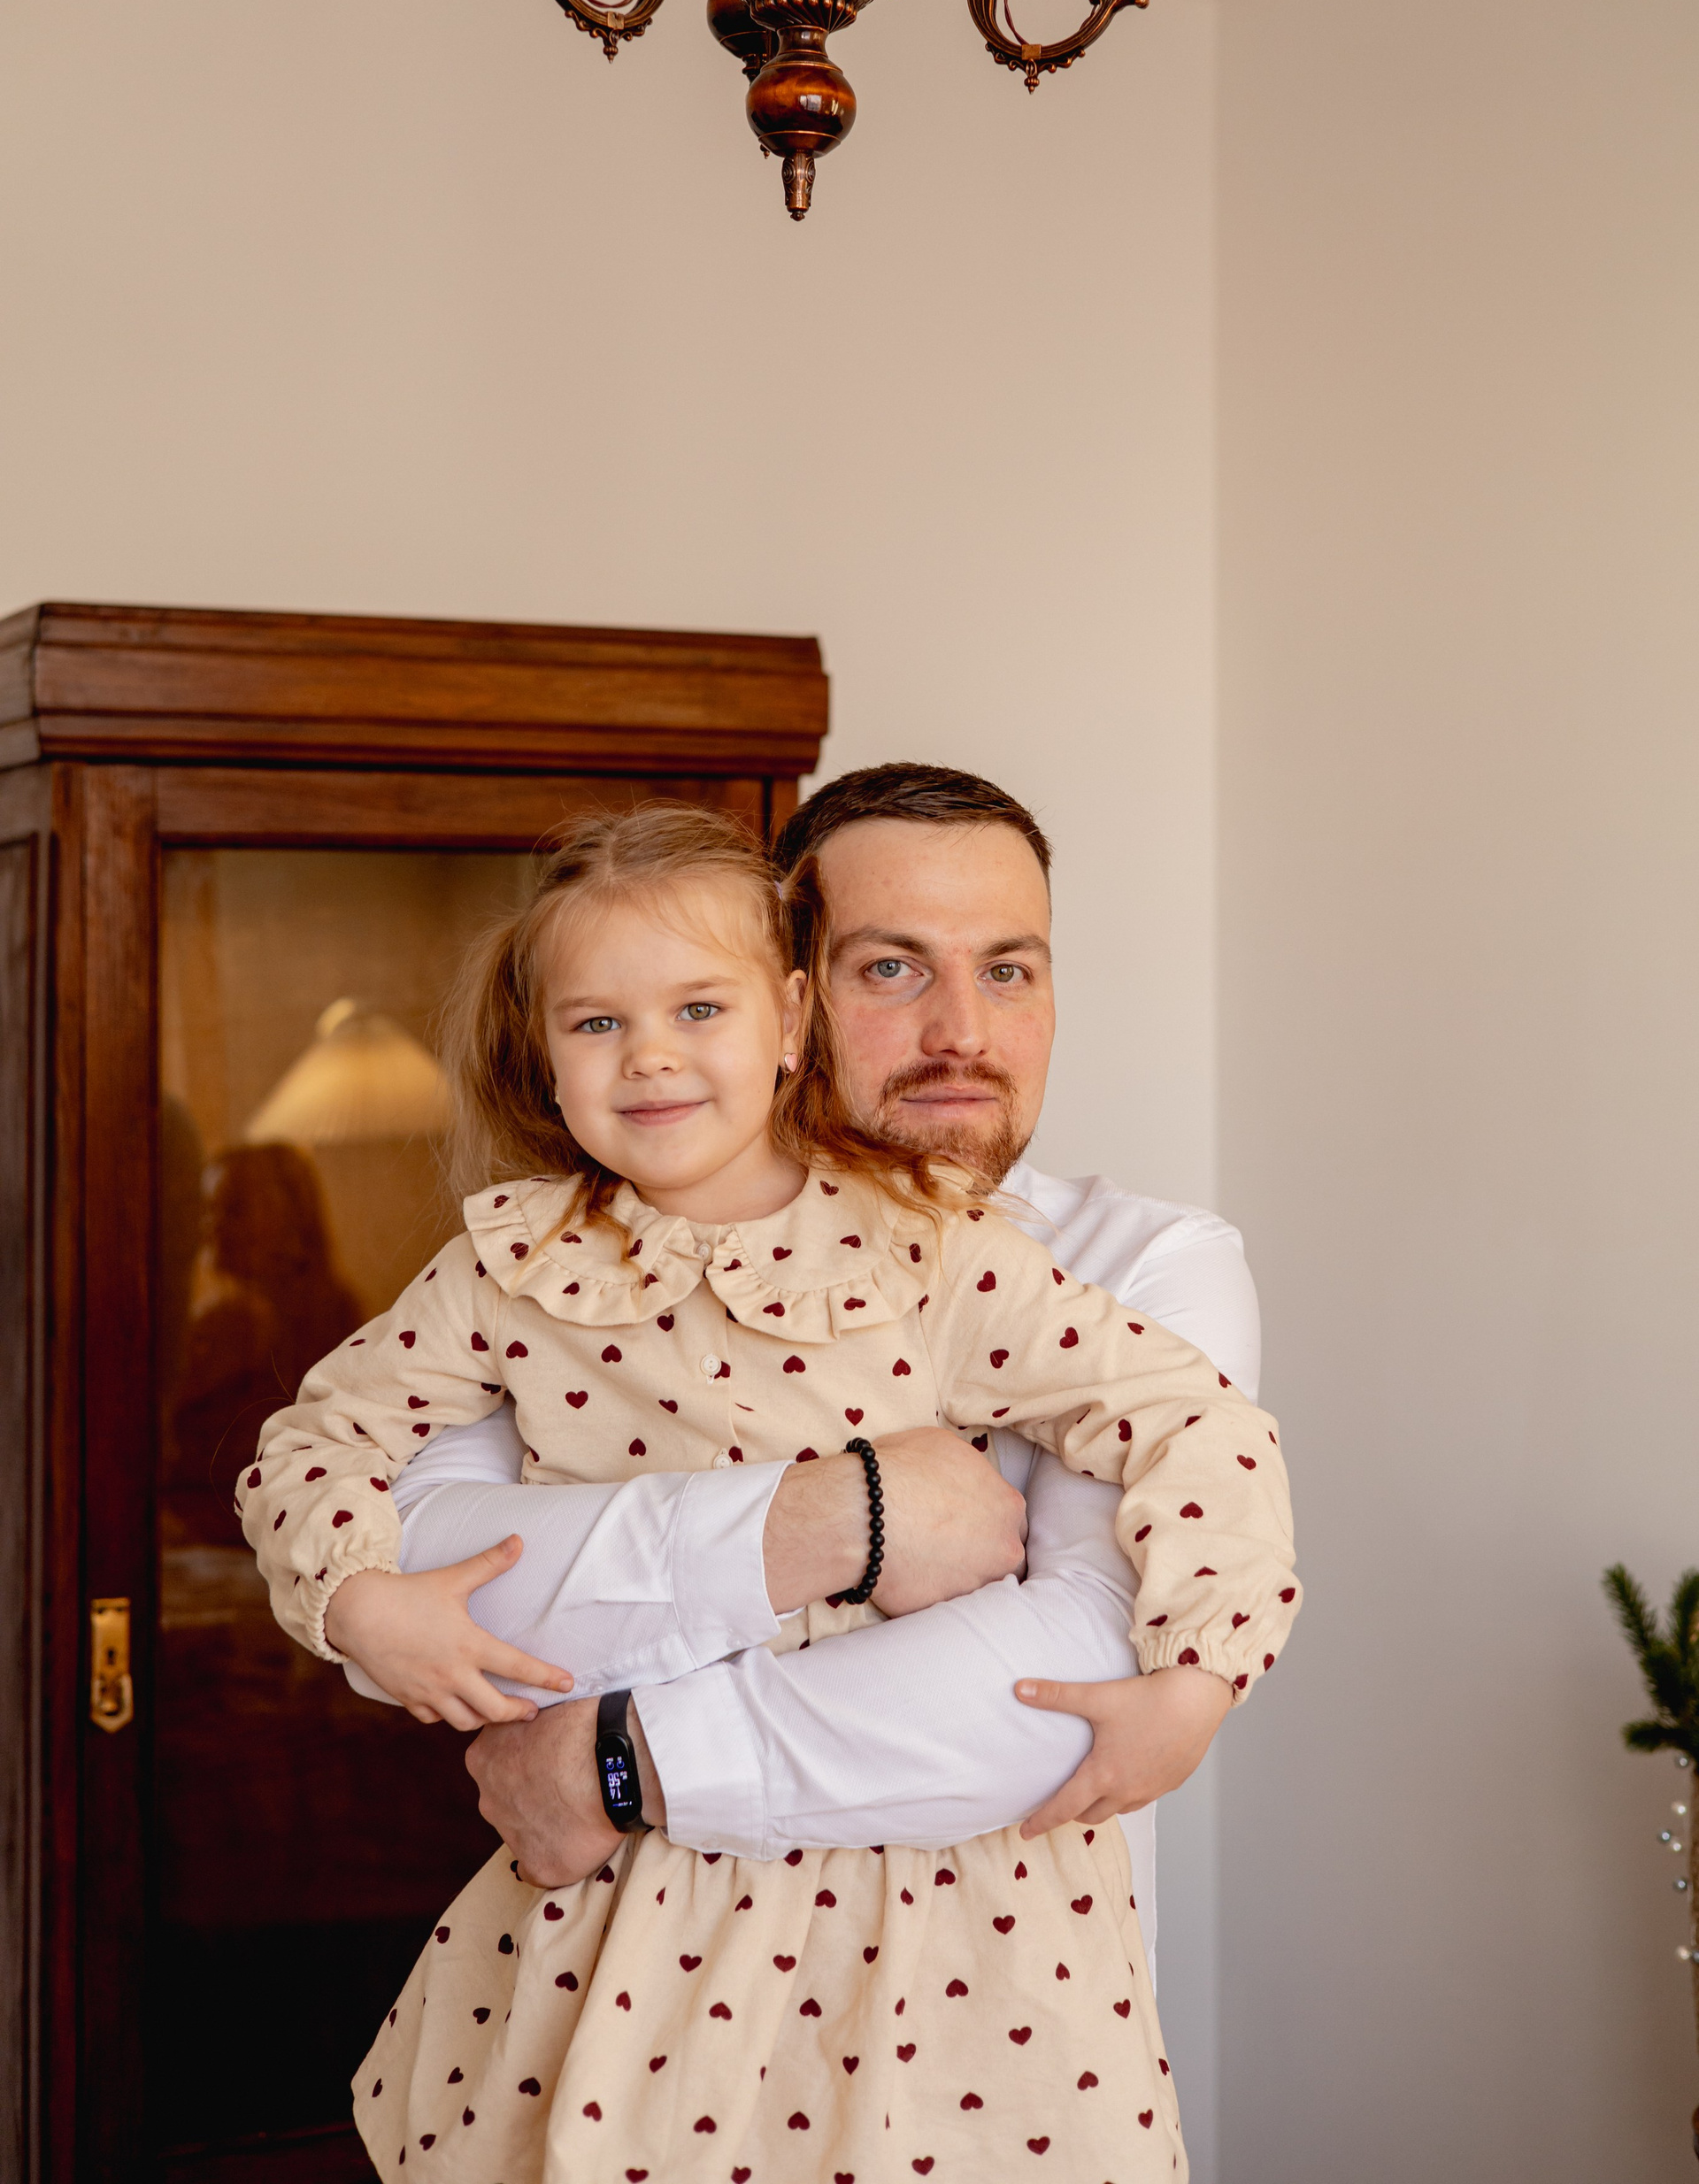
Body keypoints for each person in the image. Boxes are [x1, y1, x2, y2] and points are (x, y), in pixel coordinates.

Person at [240, 802, 1298, 2181]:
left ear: (783, 1018)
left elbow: (1189, 1421)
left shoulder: (938, 1251)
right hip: (636, 1915)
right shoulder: (511, 1272)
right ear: (543, 1053)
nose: (652, 1055)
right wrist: (357, 1600)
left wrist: (1206, 1667)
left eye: (698, 1008)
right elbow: (323, 1446)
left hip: (949, 1922)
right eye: (599, 1023)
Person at [381, 766, 1263, 1947]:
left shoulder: (1146, 1263)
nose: (962, 1033)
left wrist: (616, 1763)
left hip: (996, 2006)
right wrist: (855, 1518)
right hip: (640, 1981)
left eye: (1008, 970)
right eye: (891, 968)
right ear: (786, 1000)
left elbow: (1075, 1680)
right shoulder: (572, 1267)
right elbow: (429, 1574)